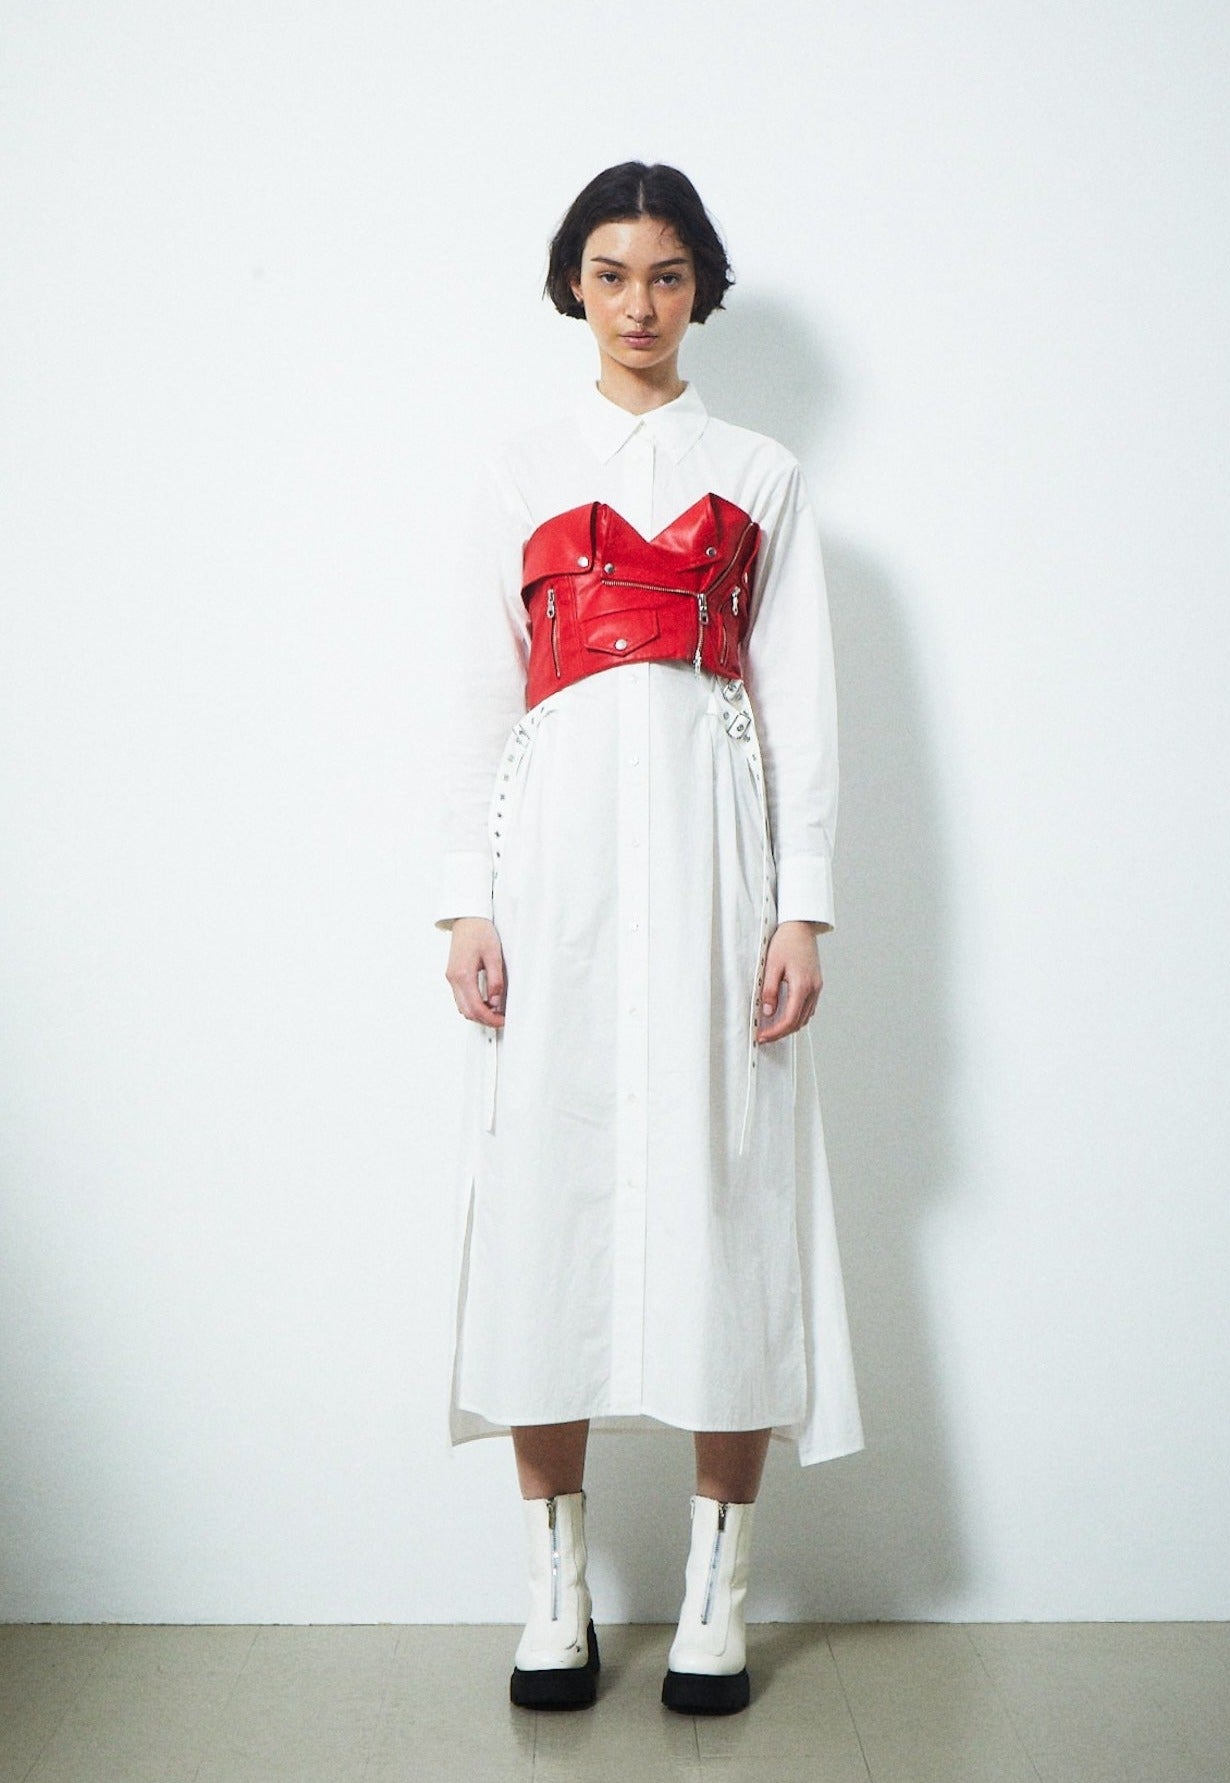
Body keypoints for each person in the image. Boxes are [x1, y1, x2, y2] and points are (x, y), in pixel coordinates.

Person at [436, 161, 863, 1715]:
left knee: (727, 1192)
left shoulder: (761, 473)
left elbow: (798, 698)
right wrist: (468, 897)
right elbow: (475, 694)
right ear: (575, 283)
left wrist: (800, 903)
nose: (638, 303)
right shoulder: (517, 467)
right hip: (555, 873)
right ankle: (552, 1591)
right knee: (544, 1200)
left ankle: (715, 1596)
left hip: (713, 865)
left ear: (701, 291)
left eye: (667, 275)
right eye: (612, 273)